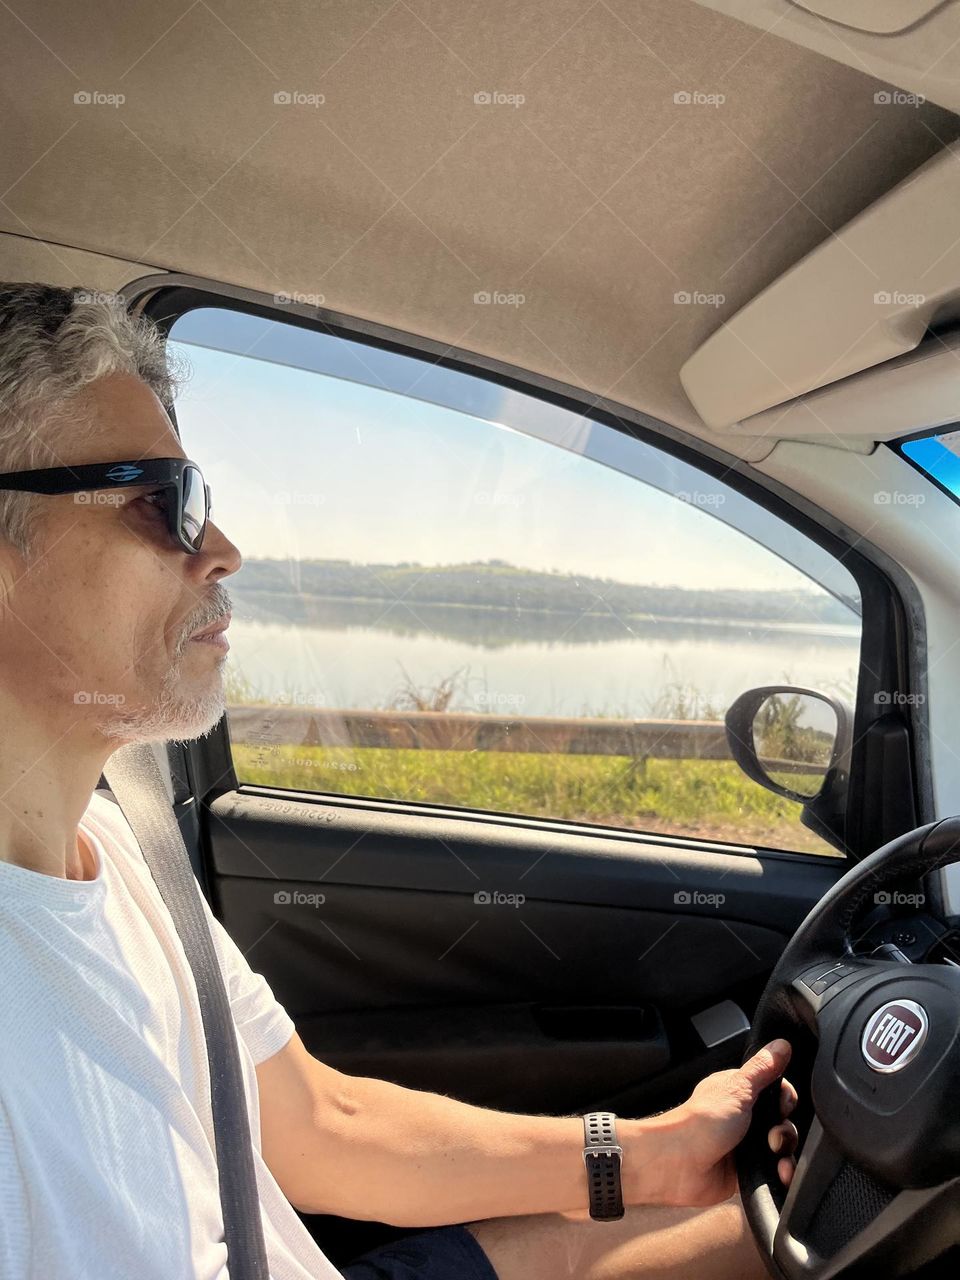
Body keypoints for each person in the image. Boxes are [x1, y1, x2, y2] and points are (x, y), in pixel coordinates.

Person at [0, 284, 798, 1279]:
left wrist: (644, 1155)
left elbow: (321, 1125)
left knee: (774, 1228)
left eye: (196, 495)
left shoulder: (120, 848)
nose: (222, 548)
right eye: (163, 503)